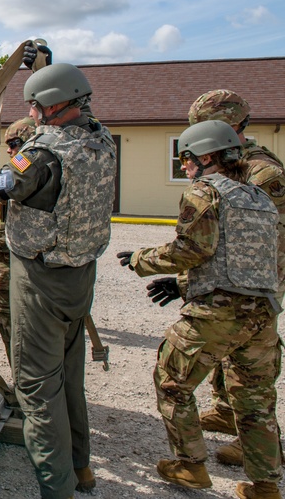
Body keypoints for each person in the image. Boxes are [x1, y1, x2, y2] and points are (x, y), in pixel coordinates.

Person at [0, 63, 116, 499]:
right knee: (70, 378)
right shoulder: (101, 141)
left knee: (38, 390)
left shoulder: (40, 153)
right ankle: (81, 469)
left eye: (35, 103)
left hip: (41, 281)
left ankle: (56, 489)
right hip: (81, 276)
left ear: (50, 104)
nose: (31, 110)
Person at [117, 120, 281, 499]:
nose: (185, 168)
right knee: (255, 401)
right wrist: (186, 285)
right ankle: (265, 486)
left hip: (218, 314)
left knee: (172, 381)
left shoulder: (205, 192)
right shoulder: (258, 198)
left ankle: (190, 465)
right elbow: (247, 261)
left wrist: (141, 259)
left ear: (206, 157)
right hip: (263, 315)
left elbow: (192, 249)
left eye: (186, 160)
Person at [186, 90, 285, 469]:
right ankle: (226, 411)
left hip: (256, 281)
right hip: (234, 277)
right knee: (226, 354)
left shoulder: (261, 171)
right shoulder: (232, 162)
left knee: (252, 366)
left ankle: (261, 449)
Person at [0, 116, 36, 366]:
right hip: (6, 274)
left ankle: (27, 392)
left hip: (21, 275)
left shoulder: (27, 170)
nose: (9, 149)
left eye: (14, 143)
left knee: (22, 335)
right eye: (8, 144)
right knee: (12, 332)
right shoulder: (17, 171)